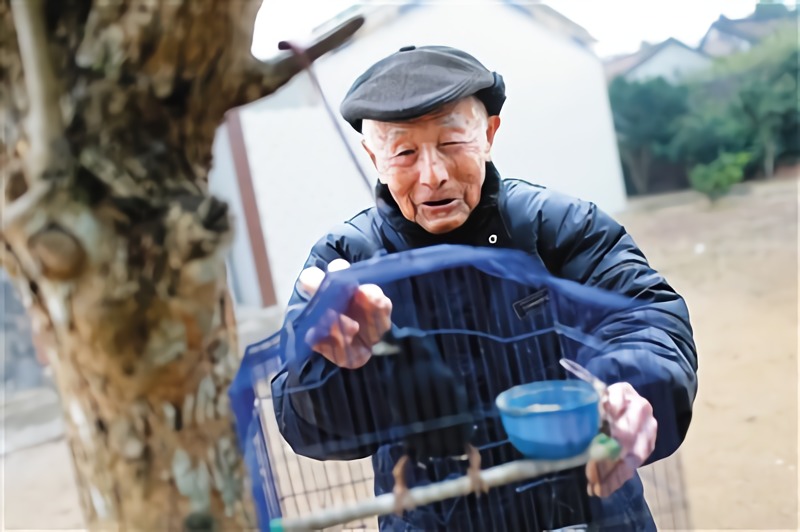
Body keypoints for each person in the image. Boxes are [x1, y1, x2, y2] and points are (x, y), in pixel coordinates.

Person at [271, 45, 698, 531]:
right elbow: (302, 419)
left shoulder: (558, 226)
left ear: (490, 133)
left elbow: (647, 316)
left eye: (452, 143)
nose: (433, 176)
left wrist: (631, 388)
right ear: (374, 157)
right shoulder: (344, 264)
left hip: (590, 516)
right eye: (405, 152)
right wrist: (332, 364)